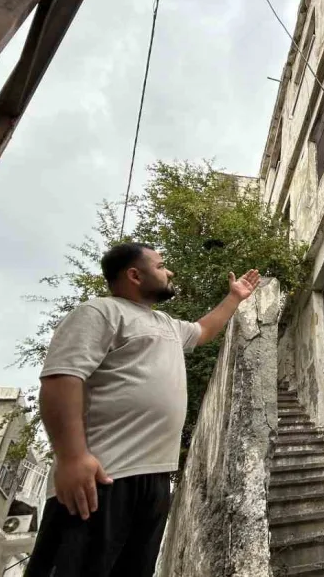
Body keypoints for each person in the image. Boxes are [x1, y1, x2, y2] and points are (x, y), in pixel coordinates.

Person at [25, 242, 260, 576]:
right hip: (101, 479)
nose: (170, 272)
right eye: (162, 265)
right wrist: (72, 457)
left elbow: (204, 330)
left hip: (154, 480)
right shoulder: (101, 312)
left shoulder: (166, 324)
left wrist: (234, 297)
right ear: (135, 274)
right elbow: (62, 377)